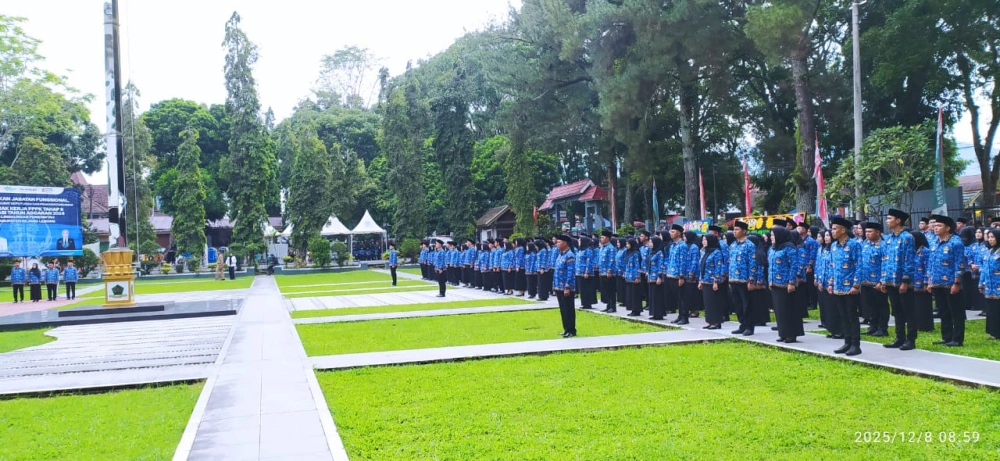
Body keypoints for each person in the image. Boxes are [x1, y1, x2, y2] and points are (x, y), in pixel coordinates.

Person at [927, 215, 967, 347]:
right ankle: (946, 336)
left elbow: (959, 264)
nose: (935, 228)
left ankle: (957, 338)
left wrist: (956, 282)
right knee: (943, 311)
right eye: (935, 225)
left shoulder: (955, 242)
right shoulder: (934, 242)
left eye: (939, 226)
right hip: (937, 282)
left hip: (951, 283)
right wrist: (929, 280)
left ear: (948, 228)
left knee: (956, 311)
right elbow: (931, 263)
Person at [881, 209, 917, 350]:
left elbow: (909, 260)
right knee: (896, 310)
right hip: (890, 280)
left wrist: (905, 281)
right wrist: (883, 280)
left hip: (902, 281)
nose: (887, 221)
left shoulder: (907, 237)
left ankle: (911, 339)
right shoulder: (888, 239)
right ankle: (899, 337)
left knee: (908, 310)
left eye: (890, 218)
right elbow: (885, 260)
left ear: (898, 221)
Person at [828, 217, 862, 355]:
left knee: (852, 316)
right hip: (837, 286)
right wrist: (830, 283)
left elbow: (859, 265)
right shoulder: (833, 246)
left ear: (843, 230)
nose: (832, 231)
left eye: (835, 228)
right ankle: (847, 342)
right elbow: (832, 266)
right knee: (843, 316)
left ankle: (856, 344)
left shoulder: (853, 245)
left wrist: (856, 285)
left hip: (850, 288)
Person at [770, 226, 803, 343]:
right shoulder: (773, 248)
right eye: (771, 235)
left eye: (773, 235)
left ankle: (791, 334)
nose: (771, 237)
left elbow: (793, 266)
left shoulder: (789, 248)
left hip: (786, 283)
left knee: (788, 309)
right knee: (779, 310)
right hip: (775, 283)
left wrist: (791, 282)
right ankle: (783, 333)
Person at [860, 222, 889, 336]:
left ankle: (882, 328)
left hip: (878, 281)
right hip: (866, 280)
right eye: (866, 232)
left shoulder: (884, 245)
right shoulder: (865, 243)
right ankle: (873, 326)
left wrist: (882, 281)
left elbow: (886, 263)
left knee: (881, 305)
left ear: (877, 232)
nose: (867, 234)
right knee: (870, 305)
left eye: (870, 232)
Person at [728, 221, 756, 335]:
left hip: (745, 279)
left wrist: (751, 279)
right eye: (734, 230)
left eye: (737, 229)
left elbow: (753, 263)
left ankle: (749, 326)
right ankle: (742, 324)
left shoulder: (749, 245)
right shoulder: (733, 245)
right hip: (734, 278)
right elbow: (730, 262)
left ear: (744, 231)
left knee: (747, 304)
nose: (735, 232)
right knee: (737, 304)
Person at [700, 234, 727, 329]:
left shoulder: (717, 252)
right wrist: (700, 280)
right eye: (703, 240)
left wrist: (716, 281)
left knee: (714, 302)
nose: (703, 242)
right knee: (707, 303)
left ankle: (716, 322)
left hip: (713, 281)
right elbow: (702, 266)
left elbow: (718, 267)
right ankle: (710, 321)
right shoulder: (704, 252)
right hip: (705, 280)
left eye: (705, 240)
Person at [552, 234, 577, 337]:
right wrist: (554, 286)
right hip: (559, 286)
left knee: (569, 309)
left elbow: (571, 272)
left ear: (565, 243)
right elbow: (556, 272)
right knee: (563, 309)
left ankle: (571, 330)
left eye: (559, 242)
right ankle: (566, 328)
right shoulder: (560, 255)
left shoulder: (569, 255)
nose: (557, 244)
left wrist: (567, 286)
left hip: (566, 287)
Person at [665, 225, 689, 324]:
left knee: (682, 297)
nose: (671, 233)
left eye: (673, 231)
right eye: (671, 232)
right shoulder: (672, 245)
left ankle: (684, 317)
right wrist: (668, 271)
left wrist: (681, 276)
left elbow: (683, 261)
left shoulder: (682, 245)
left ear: (679, 233)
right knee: (677, 297)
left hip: (679, 275)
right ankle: (680, 315)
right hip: (672, 273)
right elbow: (670, 259)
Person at [981, 229, 1000, 341]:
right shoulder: (989, 252)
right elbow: (984, 269)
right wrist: (981, 283)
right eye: (989, 237)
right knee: (992, 310)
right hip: (989, 287)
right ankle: (994, 332)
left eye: (993, 237)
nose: (991, 239)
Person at [647, 236, 667, 320]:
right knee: (652, 295)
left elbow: (661, 265)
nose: (650, 244)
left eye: (651, 242)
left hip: (657, 277)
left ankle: (659, 313)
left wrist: (660, 276)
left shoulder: (659, 252)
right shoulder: (651, 252)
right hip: (651, 276)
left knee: (658, 296)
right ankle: (654, 313)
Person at [576, 237, 597, 310]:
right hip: (580, 272)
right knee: (582, 289)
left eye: (579, 240)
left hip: (586, 272)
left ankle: (588, 303)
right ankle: (584, 303)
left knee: (587, 288)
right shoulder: (580, 250)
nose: (578, 241)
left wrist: (587, 271)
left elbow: (589, 261)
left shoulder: (588, 250)